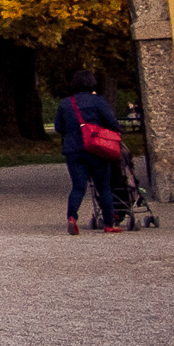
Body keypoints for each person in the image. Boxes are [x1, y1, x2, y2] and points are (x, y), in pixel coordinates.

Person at [57, 70, 123, 235]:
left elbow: (59, 127)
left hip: (73, 149)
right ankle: (109, 223)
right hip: (96, 148)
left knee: (78, 187)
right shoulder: (98, 101)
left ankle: (72, 217)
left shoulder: (66, 103)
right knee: (104, 187)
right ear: (92, 83)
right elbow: (112, 122)